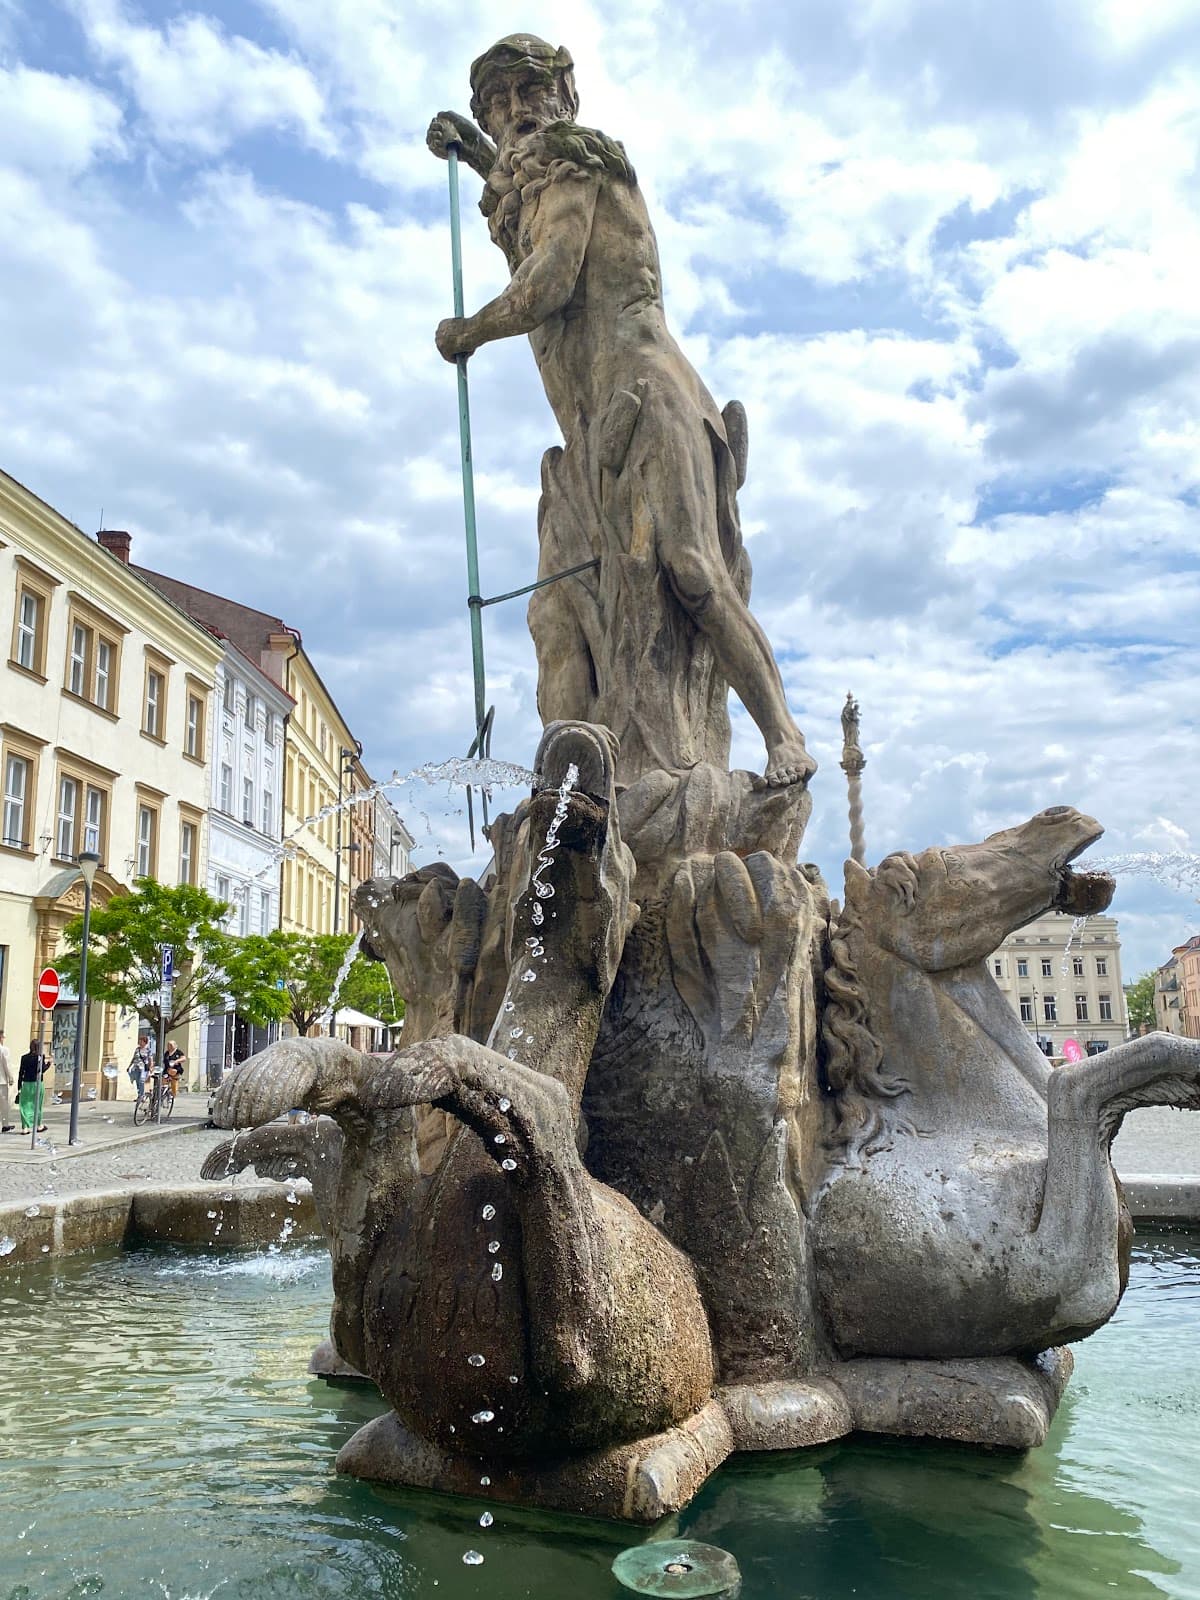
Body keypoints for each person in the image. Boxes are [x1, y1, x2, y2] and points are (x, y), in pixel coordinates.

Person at [427, 36, 816, 791]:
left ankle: (784, 736)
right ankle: (573, 792)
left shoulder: (581, 160)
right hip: (585, 438)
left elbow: (551, 276)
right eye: (497, 103)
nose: (514, 113)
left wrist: (469, 330)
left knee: (689, 568)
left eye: (528, 93)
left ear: (564, 99)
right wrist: (475, 153)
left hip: (648, 395)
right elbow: (519, 198)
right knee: (553, 611)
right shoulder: (528, 182)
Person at [17, 1040, 48, 1134]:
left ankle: (25, 1127)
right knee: (38, 1104)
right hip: (37, 1083)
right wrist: (49, 1064)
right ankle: (39, 1125)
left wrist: (19, 1085)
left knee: (24, 1105)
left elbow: (21, 1071)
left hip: (26, 1083)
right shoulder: (40, 1057)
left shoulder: (24, 1058)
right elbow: (41, 1070)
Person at [128, 1033, 154, 1103]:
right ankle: (139, 1095)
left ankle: (142, 1096)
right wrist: (129, 1066)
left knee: (141, 1081)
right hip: (136, 1067)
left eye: (141, 1041)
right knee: (137, 1081)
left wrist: (151, 1067)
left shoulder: (148, 1050)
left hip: (143, 1068)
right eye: (139, 1041)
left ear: (145, 1042)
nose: (139, 1042)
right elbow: (133, 1058)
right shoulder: (137, 1049)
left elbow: (150, 1059)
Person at [0, 1028, 14, 1132]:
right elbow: (7, 1065)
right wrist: (11, 1078)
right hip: (1, 1081)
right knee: (3, 1104)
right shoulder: (4, 1050)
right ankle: (5, 1124)